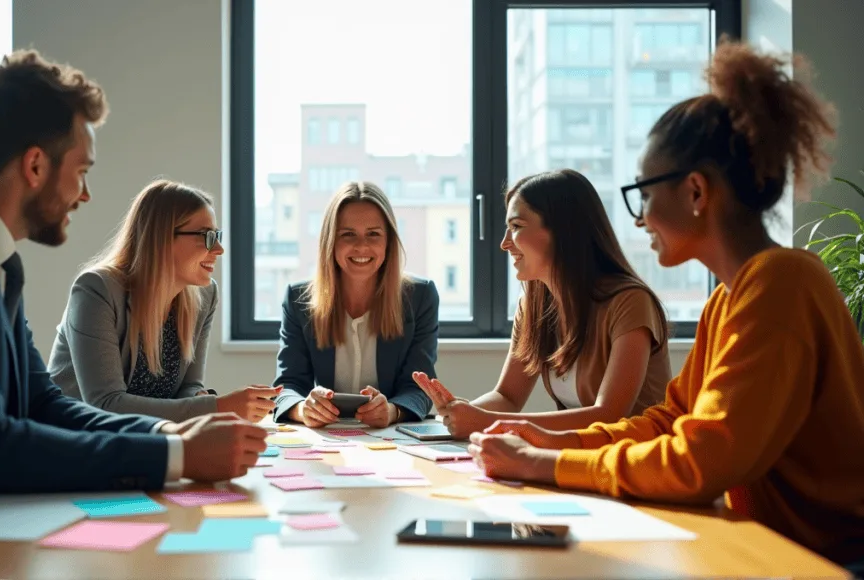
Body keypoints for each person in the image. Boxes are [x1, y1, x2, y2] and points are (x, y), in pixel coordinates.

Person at [0, 50, 265, 556]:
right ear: (36, 165)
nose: (84, 195)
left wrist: (170, 432)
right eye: (82, 171)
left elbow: (43, 405)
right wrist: (176, 453)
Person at [468, 41, 864, 566]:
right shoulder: (729, 298)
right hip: (775, 549)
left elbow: (701, 458)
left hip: (829, 561)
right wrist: (549, 443)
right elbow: (669, 421)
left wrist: (545, 465)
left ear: (696, 193)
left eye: (645, 194)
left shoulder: (782, 284)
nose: (639, 218)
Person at [413, 169, 671, 439]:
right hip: (580, 460)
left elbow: (608, 416)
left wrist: (485, 421)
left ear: (563, 231)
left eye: (516, 227)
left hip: (637, 463)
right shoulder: (533, 305)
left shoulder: (630, 302)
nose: (504, 244)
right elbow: (507, 397)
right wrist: (461, 414)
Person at [48, 179, 281, 423]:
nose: (219, 249)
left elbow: (188, 387)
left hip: (145, 443)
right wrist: (218, 407)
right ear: (161, 237)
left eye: (217, 235)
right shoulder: (96, 290)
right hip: (77, 442)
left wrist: (204, 399)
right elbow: (106, 404)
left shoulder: (204, 295)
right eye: (208, 236)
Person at [273, 181, 436, 428]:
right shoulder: (298, 300)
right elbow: (288, 386)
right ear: (330, 241)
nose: (361, 246)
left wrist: (392, 411)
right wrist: (302, 409)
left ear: (389, 241)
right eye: (348, 234)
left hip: (393, 436)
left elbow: (420, 388)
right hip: (325, 438)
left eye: (373, 234)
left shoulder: (419, 297)